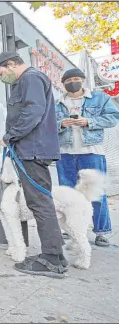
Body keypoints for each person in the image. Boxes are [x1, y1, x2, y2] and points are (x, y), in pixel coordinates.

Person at [0, 52, 66, 278]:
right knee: (41, 202)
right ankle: (56, 255)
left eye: (0, 73)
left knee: (40, 203)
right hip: (31, 150)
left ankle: (51, 259)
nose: (0, 78)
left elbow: (33, 111)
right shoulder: (28, 80)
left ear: (10, 64)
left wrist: (10, 135)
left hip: (33, 150)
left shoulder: (30, 78)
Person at [55, 68, 119, 247]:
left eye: (76, 78)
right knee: (66, 193)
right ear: (63, 83)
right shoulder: (57, 103)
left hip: (92, 152)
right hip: (65, 153)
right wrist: (61, 124)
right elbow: (48, 125)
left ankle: (101, 232)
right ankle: (69, 229)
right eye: (68, 80)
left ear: (82, 80)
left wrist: (89, 121)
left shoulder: (100, 98)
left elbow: (114, 117)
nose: (72, 82)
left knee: (96, 193)